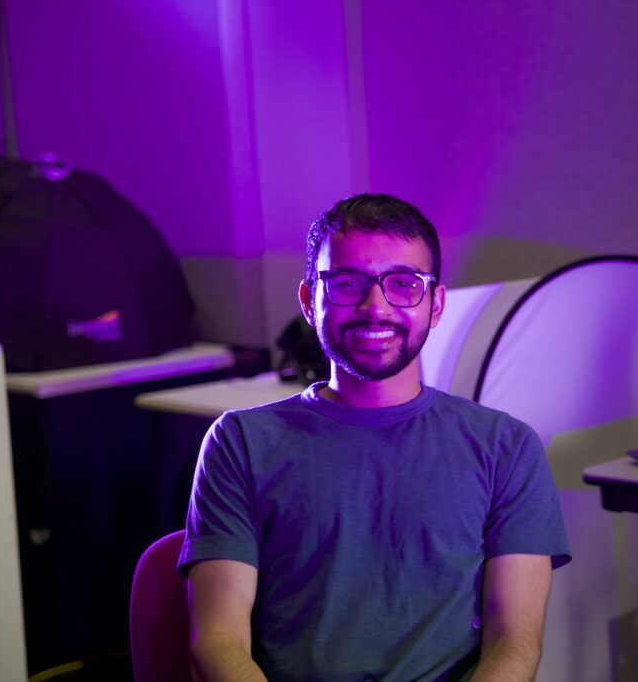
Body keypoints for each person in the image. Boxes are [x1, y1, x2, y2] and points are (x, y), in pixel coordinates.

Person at [179, 193, 571, 681]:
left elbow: (514, 646)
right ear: (309, 300)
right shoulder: (240, 442)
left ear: (436, 303)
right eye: (347, 284)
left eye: (403, 284)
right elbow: (218, 641)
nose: (375, 307)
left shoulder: (505, 448)